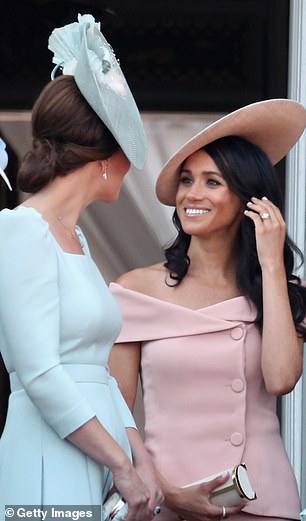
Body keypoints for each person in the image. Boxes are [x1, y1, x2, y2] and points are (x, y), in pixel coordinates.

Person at [109, 99, 306, 521]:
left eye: (212, 182)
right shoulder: (136, 290)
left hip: (265, 505)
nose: (192, 195)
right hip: (166, 504)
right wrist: (167, 491)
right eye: (186, 180)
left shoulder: (281, 291)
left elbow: (281, 378)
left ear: (248, 199)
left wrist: (272, 264)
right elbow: (115, 415)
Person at [0, 14, 163, 521]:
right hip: (50, 449)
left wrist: (139, 455)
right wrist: (121, 464)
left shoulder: (78, 237)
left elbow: (98, 372)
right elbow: (41, 372)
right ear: (105, 158)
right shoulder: (21, 228)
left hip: (102, 451)